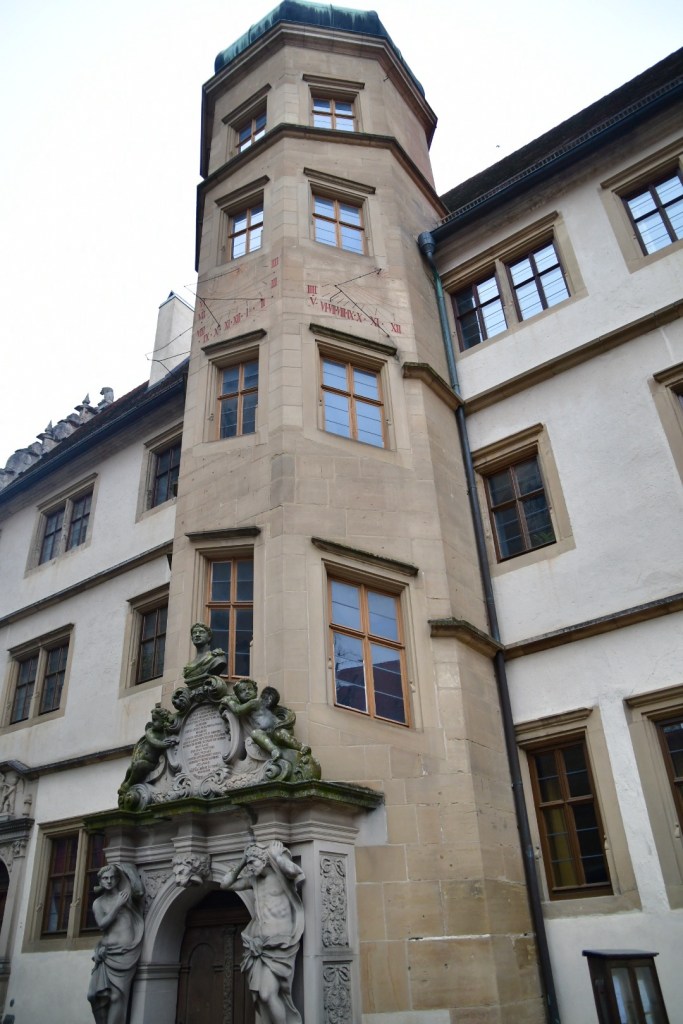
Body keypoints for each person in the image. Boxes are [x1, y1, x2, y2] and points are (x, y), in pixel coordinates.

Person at [221, 840, 305, 1024]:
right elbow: (225, 884)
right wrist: (243, 861)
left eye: (253, 862)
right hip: (259, 945)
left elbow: (296, 872)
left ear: (264, 859)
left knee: (267, 993)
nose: (250, 868)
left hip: (280, 944)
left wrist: (276, 856)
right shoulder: (253, 880)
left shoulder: (280, 875)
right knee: (261, 995)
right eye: (248, 864)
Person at [87, 864, 144, 1024]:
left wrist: (126, 866)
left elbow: (139, 891)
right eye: (105, 878)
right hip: (106, 953)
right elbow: (102, 924)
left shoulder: (126, 896)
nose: (109, 881)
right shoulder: (98, 903)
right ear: (100, 881)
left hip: (125, 953)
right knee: (94, 995)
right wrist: (118, 905)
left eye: (112, 877)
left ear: (118, 879)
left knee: (116, 996)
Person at [220, 681, 310, 760]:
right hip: (267, 732)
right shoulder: (252, 704)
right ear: (238, 696)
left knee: (281, 735)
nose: (247, 691)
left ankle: (301, 747)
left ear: (255, 691)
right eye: (242, 691)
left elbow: (237, 710)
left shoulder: (254, 703)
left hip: (276, 728)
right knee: (255, 733)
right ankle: (274, 750)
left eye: (249, 689)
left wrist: (228, 701)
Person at [182, 622, 228, 688]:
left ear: (209, 637)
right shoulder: (188, 667)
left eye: (201, 632)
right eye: (194, 633)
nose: (197, 635)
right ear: (192, 638)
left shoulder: (217, 658)